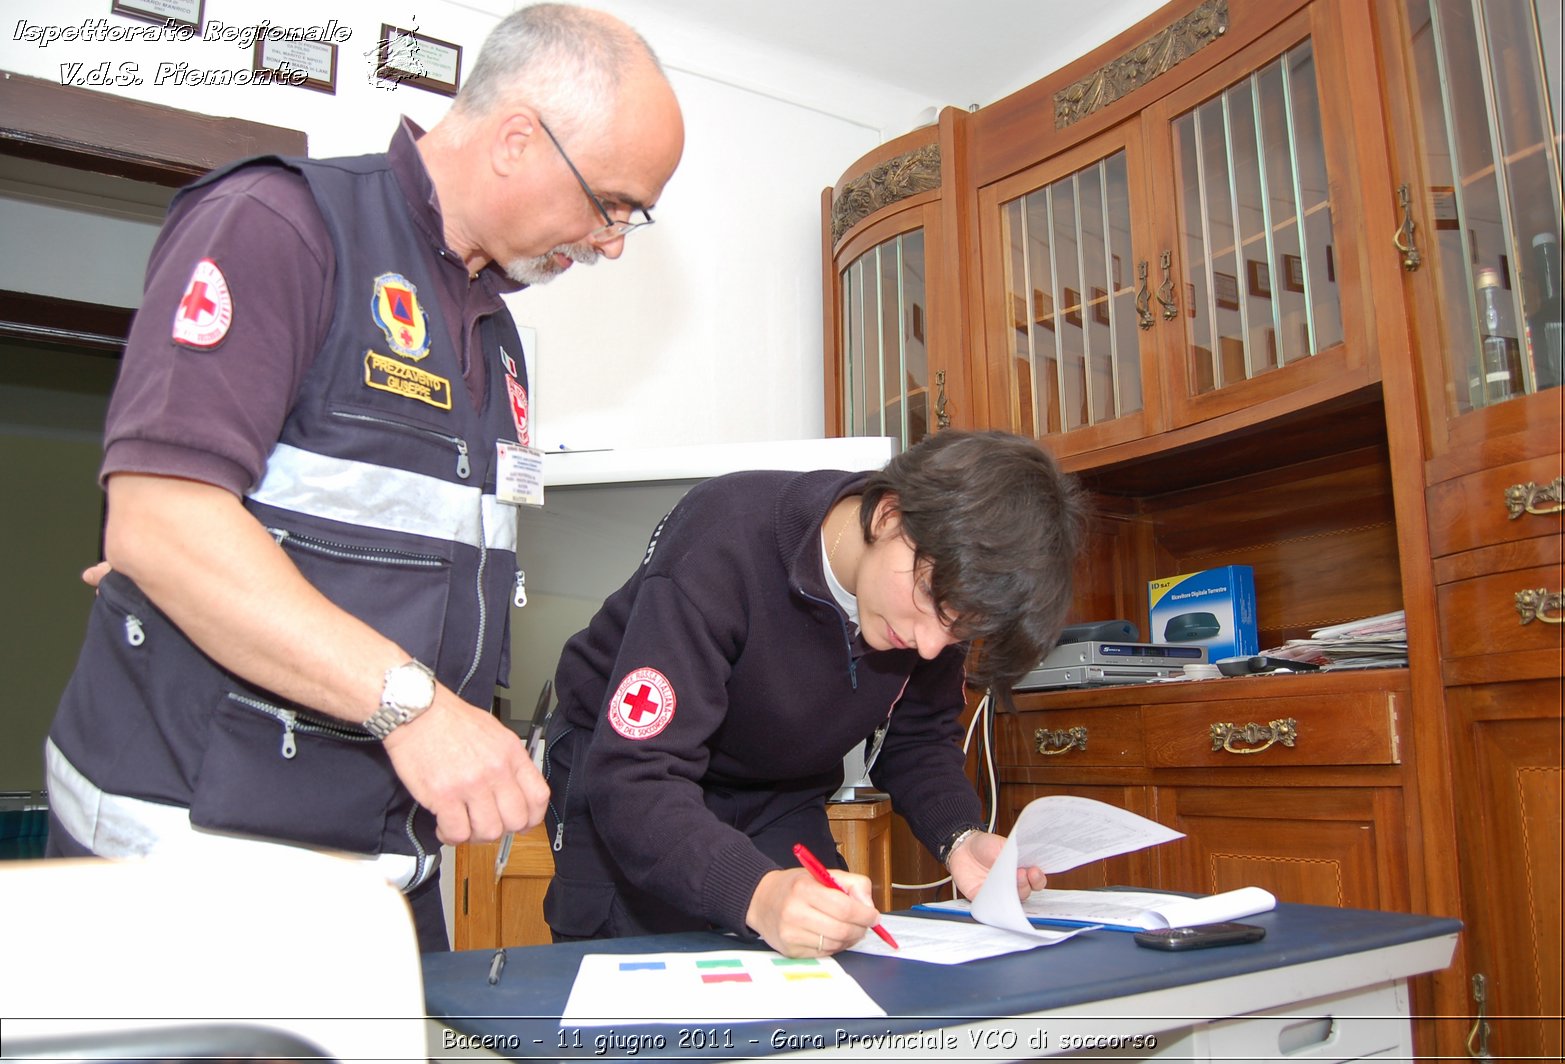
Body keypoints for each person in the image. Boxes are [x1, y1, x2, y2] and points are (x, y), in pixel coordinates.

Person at [43, 4, 685, 951]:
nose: (615, 241)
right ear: (518, 139)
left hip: (379, 871)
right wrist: (415, 707)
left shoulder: (495, 338)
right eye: (614, 203)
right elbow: (163, 523)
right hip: (194, 867)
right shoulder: (282, 225)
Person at [542, 430, 1086, 956]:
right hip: (628, 770)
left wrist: (961, 838)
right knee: (640, 994)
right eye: (928, 601)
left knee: (825, 955)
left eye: (958, 632)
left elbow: (918, 739)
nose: (929, 646)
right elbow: (635, 775)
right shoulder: (724, 536)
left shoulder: (938, 599)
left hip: (779, 787)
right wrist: (757, 893)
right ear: (887, 514)